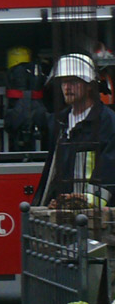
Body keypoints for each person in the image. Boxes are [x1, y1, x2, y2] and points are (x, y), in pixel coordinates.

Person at [35, 53, 115, 206]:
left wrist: (88, 201)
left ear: (90, 85)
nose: (67, 87)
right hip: (65, 211)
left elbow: (109, 171)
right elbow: (54, 171)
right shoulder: (60, 122)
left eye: (74, 81)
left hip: (96, 215)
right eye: (63, 82)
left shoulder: (107, 123)